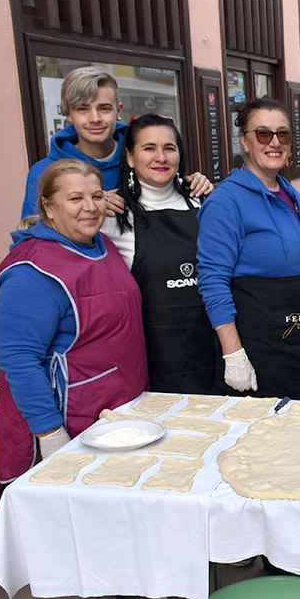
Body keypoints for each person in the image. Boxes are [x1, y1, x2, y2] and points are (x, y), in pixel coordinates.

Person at [0, 159, 147, 599]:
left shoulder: (100, 245)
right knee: (73, 517)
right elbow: (18, 359)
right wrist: (49, 432)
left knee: (102, 511)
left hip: (114, 409)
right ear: (48, 207)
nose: (89, 207)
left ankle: (106, 584)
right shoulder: (33, 270)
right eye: (75, 198)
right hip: (67, 415)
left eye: (96, 196)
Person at [196, 98, 300, 399]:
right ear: (244, 140)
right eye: (263, 134)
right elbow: (212, 280)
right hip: (259, 349)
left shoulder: (295, 196)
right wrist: (233, 353)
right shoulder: (226, 201)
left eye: (283, 134)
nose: (275, 143)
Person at [102, 113, 218, 393]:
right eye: (149, 148)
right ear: (130, 157)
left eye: (169, 148)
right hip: (155, 364)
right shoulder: (113, 217)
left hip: (215, 353)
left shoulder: (205, 202)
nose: (161, 157)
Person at [21, 66, 211, 219]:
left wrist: (191, 183)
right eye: (83, 109)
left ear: (118, 110)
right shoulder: (44, 172)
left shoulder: (141, 156)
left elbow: (166, 187)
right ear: (68, 114)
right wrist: (88, 202)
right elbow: (31, 233)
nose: (95, 118)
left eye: (104, 108)